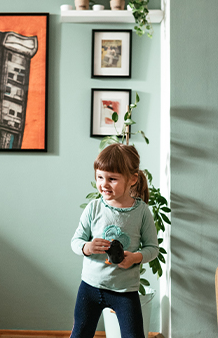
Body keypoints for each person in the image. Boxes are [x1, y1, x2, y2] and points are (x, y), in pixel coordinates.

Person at [70, 143, 159, 338]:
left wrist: (135, 257)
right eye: (100, 177)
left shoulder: (142, 212)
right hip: (90, 287)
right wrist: (87, 247)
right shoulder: (93, 208)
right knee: (80, 334)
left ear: (132, 179)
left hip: (125, 291)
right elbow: (76, 241)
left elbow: (153, 248)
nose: (104, 184)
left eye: (112, 179)